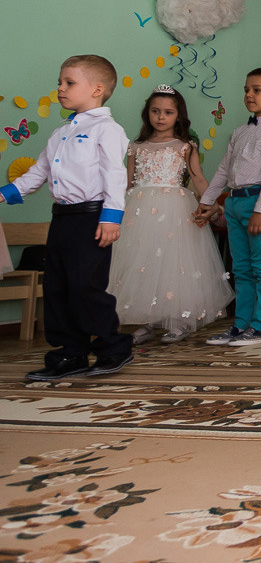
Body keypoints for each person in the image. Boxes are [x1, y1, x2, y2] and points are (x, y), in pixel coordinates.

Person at [2, 55, 134, 380]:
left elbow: (115, 174)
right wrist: (4, 194)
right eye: (60, 82)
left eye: (69, 83)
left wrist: (112, 217)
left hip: (92, 218)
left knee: (86, 287)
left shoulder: (107, 129)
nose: (60, 88)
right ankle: (70, 354)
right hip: (61, 219)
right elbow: (37, 173)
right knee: (58, 287)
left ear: (97, 89)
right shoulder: (59, 133)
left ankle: (113, 347)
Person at [110, 85, 231, 343]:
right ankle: (146, 321)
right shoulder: (136, 146)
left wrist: (211, 205)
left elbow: (198, 179)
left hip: (175, 209)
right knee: (142, 265)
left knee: (173, 264)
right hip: (139, 210)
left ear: (178, 115)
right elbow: (127, 182)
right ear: (147, 113)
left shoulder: (185, 146)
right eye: (155, 111)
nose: (161, 117)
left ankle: (177, 319)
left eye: (168, 112)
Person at [194, 68, 261, 347]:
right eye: (246, 89)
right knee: (242, 268)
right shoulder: (240, 131)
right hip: (234, 203)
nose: (249, 94)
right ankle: (240, 325)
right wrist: (207, 200)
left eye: (256, 90)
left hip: (258, 202)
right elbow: (224, 170)